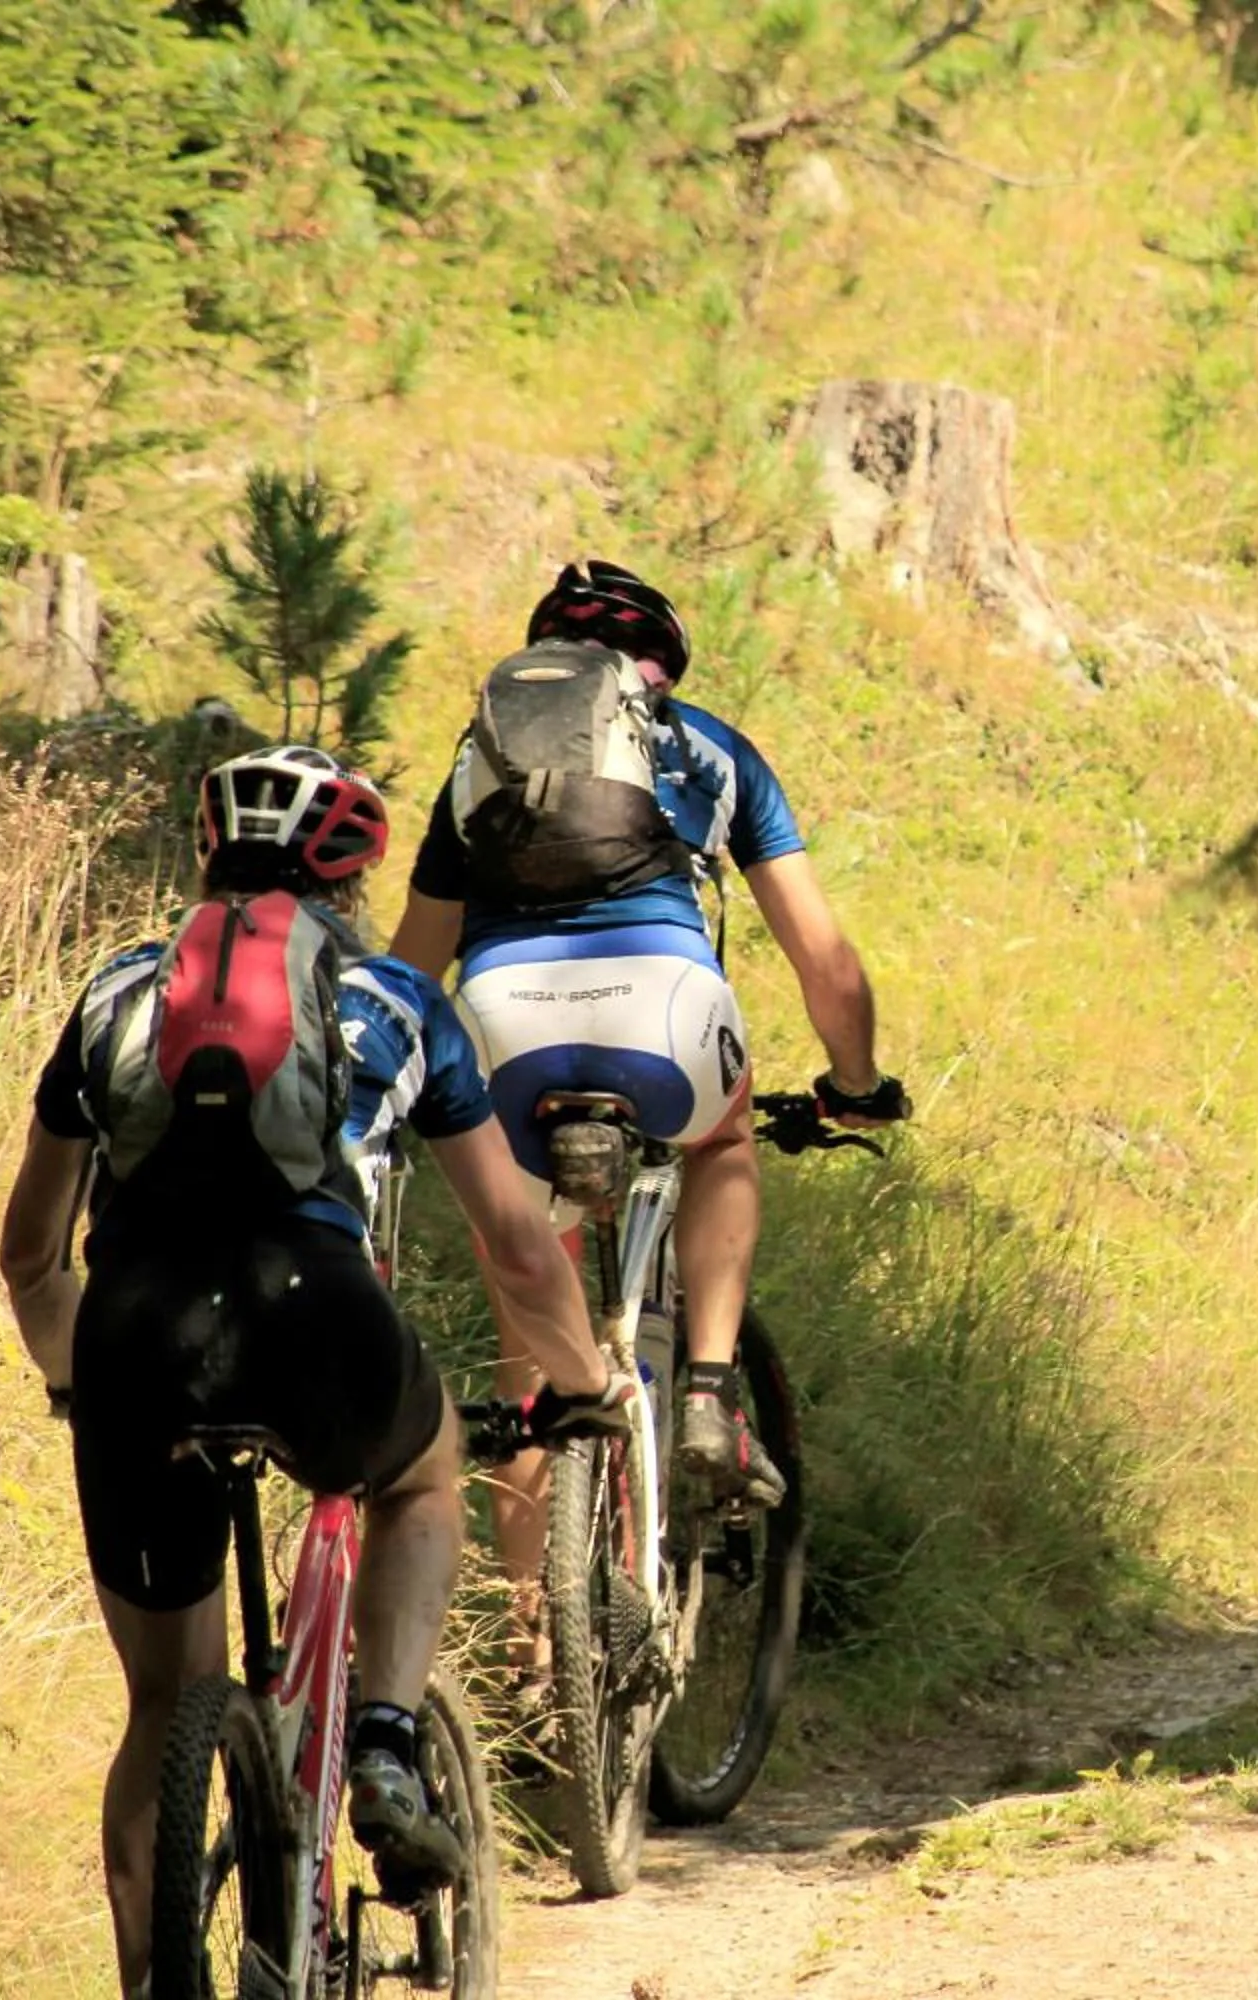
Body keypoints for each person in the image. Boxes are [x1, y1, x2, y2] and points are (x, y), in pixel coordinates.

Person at [0, 745, 622, 2000]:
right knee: (423, 1472)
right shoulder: (395, 1000)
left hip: (133, 1330)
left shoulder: (114, 994)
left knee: (162, 1703)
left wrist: (85, 1382)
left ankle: (150, 1982)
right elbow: (513, 1241)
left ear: (207, 854)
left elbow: (28, 1253)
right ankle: (385, 1744)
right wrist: (587, 1377)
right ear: (353, 872)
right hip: (316, 1312)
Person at [388, 560, 907, 1603]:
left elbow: (412, 969)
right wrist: (855, 1082)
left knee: (532, 1347)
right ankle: (709, 1385)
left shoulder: (476, 763)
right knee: (719, 1142)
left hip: (504, 1023)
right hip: (662, 1010)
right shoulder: (711, 748)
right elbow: (828, 964)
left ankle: (539, 1645)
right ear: (661, 665)